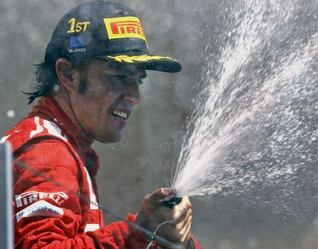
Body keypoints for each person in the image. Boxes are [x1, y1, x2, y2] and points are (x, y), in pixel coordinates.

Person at [1, 1, 201, 249]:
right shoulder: (49, 155)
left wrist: (165, 241)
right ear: (67, 75)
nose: (134, 97)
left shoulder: (55, 145)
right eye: (118, 76)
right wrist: (139, 233)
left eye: (138, 80)